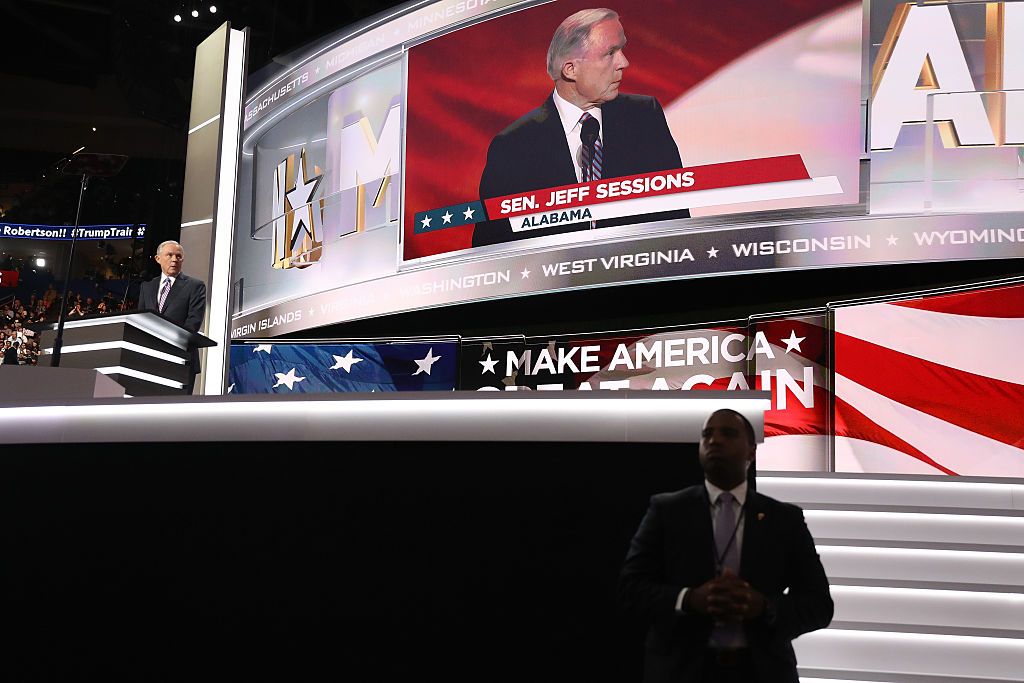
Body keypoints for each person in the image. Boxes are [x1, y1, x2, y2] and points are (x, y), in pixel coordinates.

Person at [619, 409, 833, 683]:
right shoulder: (666, 510)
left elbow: (819, 605)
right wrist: (688, 599)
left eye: (728, 433)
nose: (714, 440)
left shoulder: (785, 519)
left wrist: (764, 608)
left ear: (751, 452)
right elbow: (629, 589)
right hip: (681, 670)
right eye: (707, 434)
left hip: (761, 671)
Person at [472, 8, 688, 247]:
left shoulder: (645, 117)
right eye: (610, 53)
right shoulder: (513, 146)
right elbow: (491, 248)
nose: (623, 62)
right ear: (570, 69)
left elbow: (675, 220)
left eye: (622, 49)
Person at [138, 240, 207, 393]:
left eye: (178, 256)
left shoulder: (195, 286)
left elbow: (193, 322)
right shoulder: (147, 287)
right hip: (150, 360)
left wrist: (167, 343)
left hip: (181, 359)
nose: (174, 259)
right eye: (169, 255)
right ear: (158, 259)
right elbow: (141, 320)